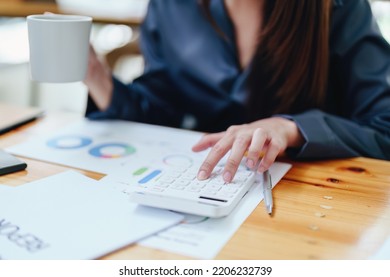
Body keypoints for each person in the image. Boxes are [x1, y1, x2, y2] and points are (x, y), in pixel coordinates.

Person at [84, 0, 390, 183]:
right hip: (206, 190)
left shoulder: (339, 7)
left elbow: (383, 125)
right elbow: (162, 104)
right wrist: (98, 79)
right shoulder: (170, 6)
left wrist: (291, 128)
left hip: (315, 196)